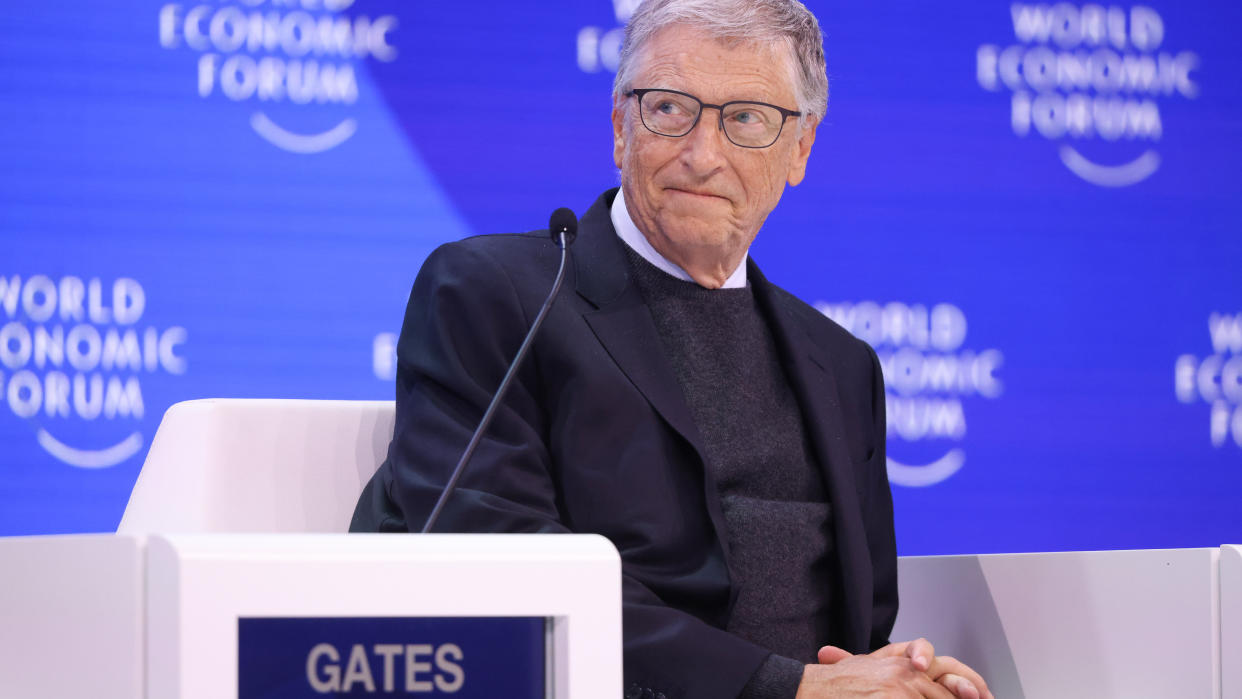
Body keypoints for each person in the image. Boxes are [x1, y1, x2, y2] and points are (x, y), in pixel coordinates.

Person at [351, 1, 990, 697]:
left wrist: (903, 675)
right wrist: (782, 687)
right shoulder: (498, 295)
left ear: (800, 149)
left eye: (745, 118)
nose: (702, 153)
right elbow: (502, 563)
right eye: (669, 109)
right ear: (621, 126)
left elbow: (860, 626)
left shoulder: (842, 364)